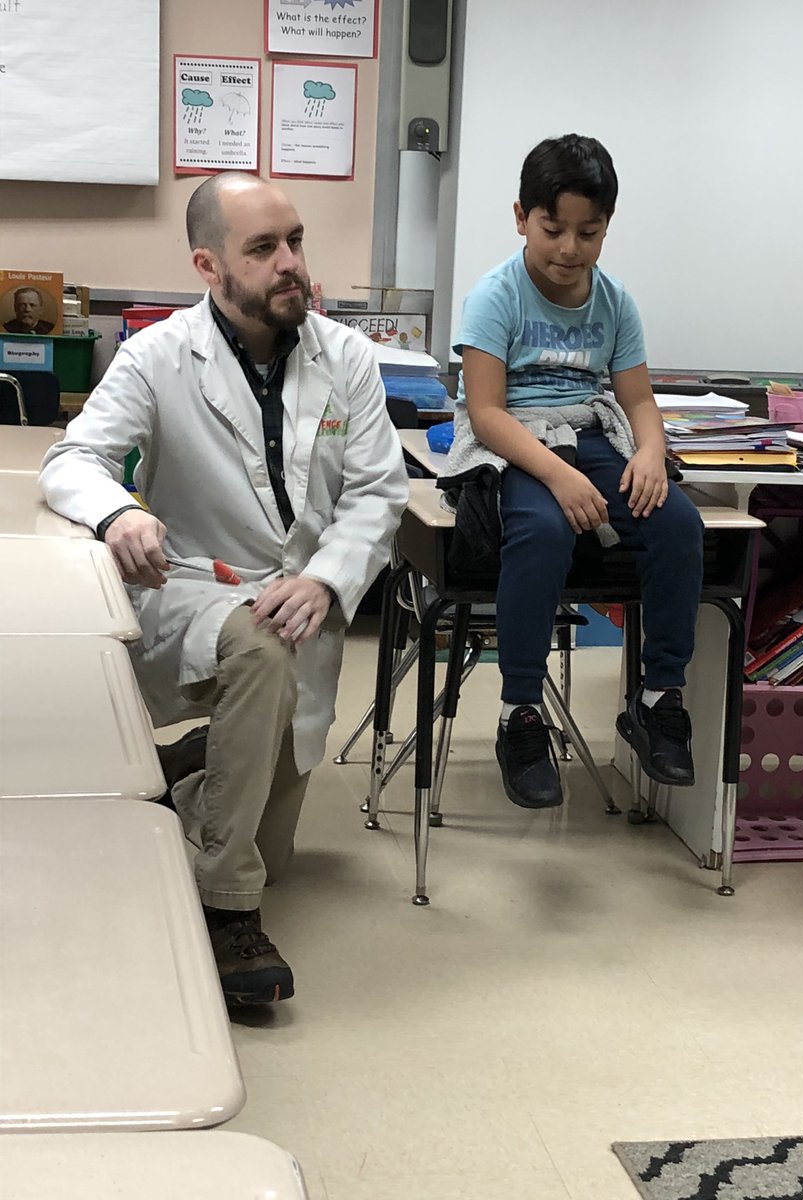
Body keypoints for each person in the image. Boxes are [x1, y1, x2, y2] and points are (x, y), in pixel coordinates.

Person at [40, 173, 408, 1005]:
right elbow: (74, 461)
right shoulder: (159, 354)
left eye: (297, 241)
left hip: (299, 600)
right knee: (260, 656)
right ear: (209, 265)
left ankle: (198, 768)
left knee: (272, 844)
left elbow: (378, 492)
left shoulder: (345, 358)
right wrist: (118, 516)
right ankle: (226, 909)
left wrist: (325, 577)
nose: (292, 266)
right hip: (198, 592)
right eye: (264, 249)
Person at [440, 134, 704, 810]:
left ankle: (656, 698)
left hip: (591, 433)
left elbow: (639, 398)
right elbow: (486, 412)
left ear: (606, 228)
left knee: (677, 523)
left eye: (589, 233)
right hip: (518, 443)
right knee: (544, 533)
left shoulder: (614, 302)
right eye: (553, 228)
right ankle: (520, 713)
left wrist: (648, 452)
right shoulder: (495, 296)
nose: (569, 248)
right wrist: (556, 478)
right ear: (521, 216)